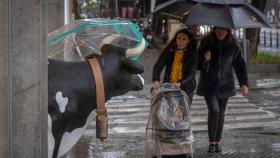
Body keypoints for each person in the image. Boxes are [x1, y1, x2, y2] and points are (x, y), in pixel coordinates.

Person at [196, 27, 249, 154]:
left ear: (228, 31)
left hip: (225, 84)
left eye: (223, 30)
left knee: (221, 113)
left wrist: (244, 83)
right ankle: (211, 142)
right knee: (214, 110)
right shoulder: (206, 42)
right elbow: (197, 64)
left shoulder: (233, 45)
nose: (221, 32)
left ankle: (216, 143)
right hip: (208, 84)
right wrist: (205, 60)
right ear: (214, 30)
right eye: (218, 29)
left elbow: (240, 65)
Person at [152, 28, 198, 104]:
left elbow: (192, 73)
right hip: (169, 86)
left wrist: (180, 83)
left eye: (184, 39)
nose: (180, 41)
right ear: (175, 38)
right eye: (179, 38)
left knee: (182, 112)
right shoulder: (169, 50)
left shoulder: (193, 53)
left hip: (186, 87)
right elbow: (158, 65)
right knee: (167, 110)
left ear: (188, 41)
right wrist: (156, 79)